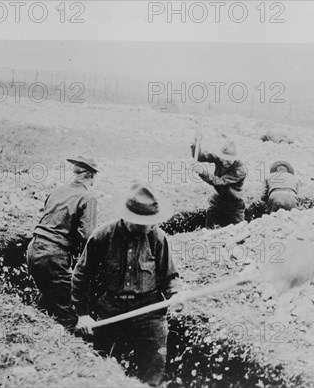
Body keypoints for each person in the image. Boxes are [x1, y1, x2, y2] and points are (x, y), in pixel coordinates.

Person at [72, 182, 182, 386]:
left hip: (149, 311)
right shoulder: (103, 236)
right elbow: (81, 275)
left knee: (154, 364)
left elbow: (170, 277)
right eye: (145, 222)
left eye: (152, 221)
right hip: (112, 310)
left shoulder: (157, 237)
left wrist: (175, 295)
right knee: (103, 361)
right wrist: (82, 314)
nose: (150, 226)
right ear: (130, 218)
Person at [26, 152, 98, 330]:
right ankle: (76, 350)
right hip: (53, 256)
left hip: (33, 250)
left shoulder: (57, 191)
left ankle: (35, 331)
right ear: (91, 175)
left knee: (49, 299)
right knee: (70, 311)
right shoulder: (88, 197)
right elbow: (88, 235)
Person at [191, 133, 247, 228]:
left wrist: (202, 172)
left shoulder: (240, 170)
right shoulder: (220, 158)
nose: (224, 162)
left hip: (234, 205)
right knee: (211, 219)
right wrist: (197, 143)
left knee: (239, 232)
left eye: (228, 161)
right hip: (219, 200)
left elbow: (219, 182)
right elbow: (200, 156)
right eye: (223, 159)